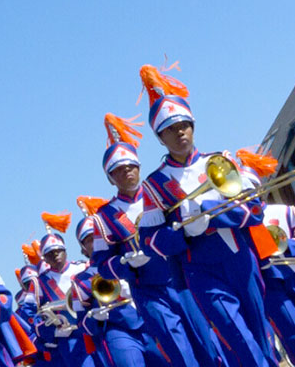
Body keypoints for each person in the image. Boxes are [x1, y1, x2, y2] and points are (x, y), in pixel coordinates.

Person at [138, 65, 278, 367]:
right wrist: (187, 232)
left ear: (193, 126)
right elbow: (151, 241)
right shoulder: (154, 184)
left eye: (183, 125)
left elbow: (255, 211)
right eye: (169, 130)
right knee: (240, 340)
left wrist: (214, 215)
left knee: (263, 337)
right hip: (200, 270)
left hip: (241, 258)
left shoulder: (222, 161)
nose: (179, 133)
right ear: (160, 137)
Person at [88, 115, 213, 367]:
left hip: (184, 276)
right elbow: (101, 263)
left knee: (208, 343)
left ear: (139, 166)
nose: (127, 173)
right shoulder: (103, 218)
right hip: (149, 290)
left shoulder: (160, 188)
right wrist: (125, 263)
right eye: (118, 171)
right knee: (180, 352)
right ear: (110, 178)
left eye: (131, 166)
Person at [234, 149, 295, 367]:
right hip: (269, 286)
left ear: (259, 189)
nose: (246, 197)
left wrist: (284, 244)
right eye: (241, 194)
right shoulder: (238, 227)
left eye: (249, 191)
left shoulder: (284, 211)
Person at [69, 209, 152, 367]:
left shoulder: (129, 254)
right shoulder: (80, 282)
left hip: (150, 318)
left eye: (100, 234)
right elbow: (82, 324)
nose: (98, 240)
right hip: (119, 331)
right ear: (83, 249)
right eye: (90, 239)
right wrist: (94, 317)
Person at [32, 228, 85, 364]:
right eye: (50, 254)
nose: (55, 255)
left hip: (92, 326)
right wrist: (54, 331)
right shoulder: (40, 283)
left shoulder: (82, 267)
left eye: (58, 250)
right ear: (44, 259)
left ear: (65, 251)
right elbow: (36, 317)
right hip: (69, 338)